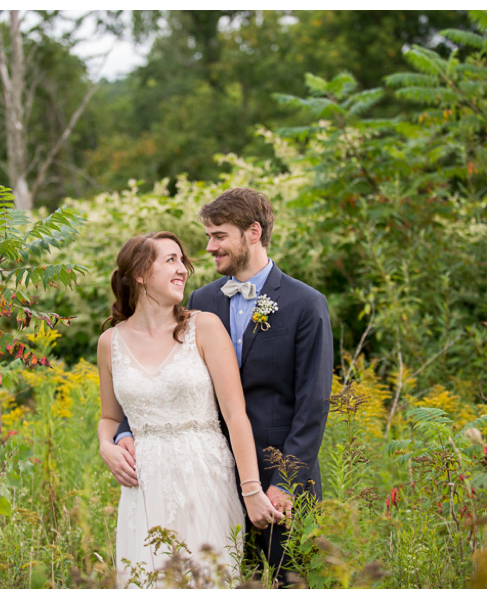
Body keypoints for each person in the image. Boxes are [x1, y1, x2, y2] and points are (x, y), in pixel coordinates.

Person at [104, 188, 333, 585]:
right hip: (208, 474)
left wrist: (284, 483)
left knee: (286, 581)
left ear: (253, 232)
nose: (208, 247)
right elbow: (157, 375)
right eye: (207, 235)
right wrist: (123, 433)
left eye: (219, 235)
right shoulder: (201, 300)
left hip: (279, 477)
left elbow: (313, 404)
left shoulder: (304, 303)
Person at [96, 231, 281, 588]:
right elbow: (110, 417)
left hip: (205, 478)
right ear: (139, 272)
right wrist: (107, 445)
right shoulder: (110, 343)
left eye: (182, 261)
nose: (182, 268)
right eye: (170, 260)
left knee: (208, 581)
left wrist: (251, 489)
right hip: (144, 486)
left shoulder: (205, 327)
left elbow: (235, 415)